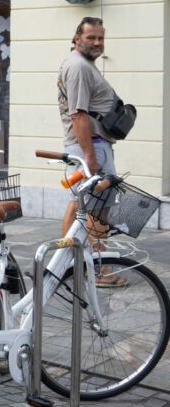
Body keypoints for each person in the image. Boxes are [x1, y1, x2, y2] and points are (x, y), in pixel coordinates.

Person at [57, 16, 124, 286]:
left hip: (92, 145)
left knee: (79, 204)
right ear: (77, 38)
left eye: (100, 38)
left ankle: (65, 262)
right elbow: (79, 115)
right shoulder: (79, 67)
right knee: (98, 209)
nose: (97, 42)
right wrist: (91, 159)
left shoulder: (82, 65)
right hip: (91, 146)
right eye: (91, 37)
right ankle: (99, 271)